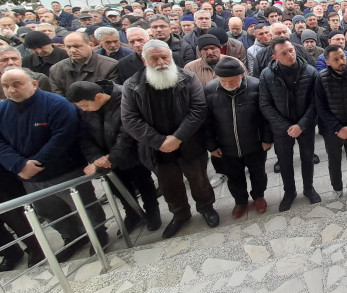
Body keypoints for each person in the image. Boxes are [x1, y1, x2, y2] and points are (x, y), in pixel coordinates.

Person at [0, 68, 108, 261]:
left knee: (84, 206)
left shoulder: (57, 104)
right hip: (30, 177)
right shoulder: (2, 110)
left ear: (34, 84)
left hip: (65, 171)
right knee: (50, 212)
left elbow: (63, 137)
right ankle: (72, 237)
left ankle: (98, 234)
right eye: (6, 86)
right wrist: (19, 165)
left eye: (17, 84)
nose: (11, 90)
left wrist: (37, 163)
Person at [121, 40, 219, 239]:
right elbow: (130, 119)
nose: (161, 62)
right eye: (154, 58)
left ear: (171, 57)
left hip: (190, 142)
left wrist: (178, 137)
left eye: (164, 57)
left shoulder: (187, 78)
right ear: (144, 60)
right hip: (157, 149)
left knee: (199, 180)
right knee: (169, 186)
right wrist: (159, 141)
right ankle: (180, 214)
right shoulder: (132, 85)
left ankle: (206, 208)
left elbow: (198, 109)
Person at [66, 80, 162, 232]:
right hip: (104, 157)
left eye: (85, 105)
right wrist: (97, 158)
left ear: (99, 97)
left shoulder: (126, 98)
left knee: (144, 183)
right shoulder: (83, 108)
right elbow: (83, 136)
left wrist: (110, 159)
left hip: (133, 154)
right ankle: (132, 213)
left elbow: (127, 135)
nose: (84, 109)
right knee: (118, 187)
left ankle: (152, 212)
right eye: (80, 107)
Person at [259, 37, 321, 211]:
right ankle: (289, 192)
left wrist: (301, 125)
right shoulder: (267, 75)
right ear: (275, 57)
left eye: (291, 50)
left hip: (305, 126)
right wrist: (286, 126)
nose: (290, 55)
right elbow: (265, 104)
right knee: (285, 162)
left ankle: (309, 188)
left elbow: (316, 102)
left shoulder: (310, 71)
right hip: (281, 128)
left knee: (307, 158)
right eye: (284, 53)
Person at [204, 57, 271, 219]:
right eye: (223, 81)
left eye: (232, 81)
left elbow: (266, 116)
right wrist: (211, 145)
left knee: (258, 174)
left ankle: (259, 196)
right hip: (226, 146)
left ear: (242, 75)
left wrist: (267, 139)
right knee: (234, 177)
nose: (228, 85)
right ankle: (240, 201)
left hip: (254, 144)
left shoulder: (256, 85)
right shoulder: (210, 90)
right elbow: (206, 121)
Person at [315, 45, 347, 197]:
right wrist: (338, 128)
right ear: (328, 62)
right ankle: (337, 188)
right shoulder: (321, 78)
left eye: (342, 57)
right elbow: (320, 107)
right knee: (334, 160)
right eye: (336, 59)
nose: (341, 61)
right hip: (331, 130)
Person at [49, 32, 119, 95]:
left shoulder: (110, 66)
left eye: (77, 46)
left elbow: (110, 94)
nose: (72, 50)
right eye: (68, 47)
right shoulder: (56, 69)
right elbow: (57, 95)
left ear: (91, 45)